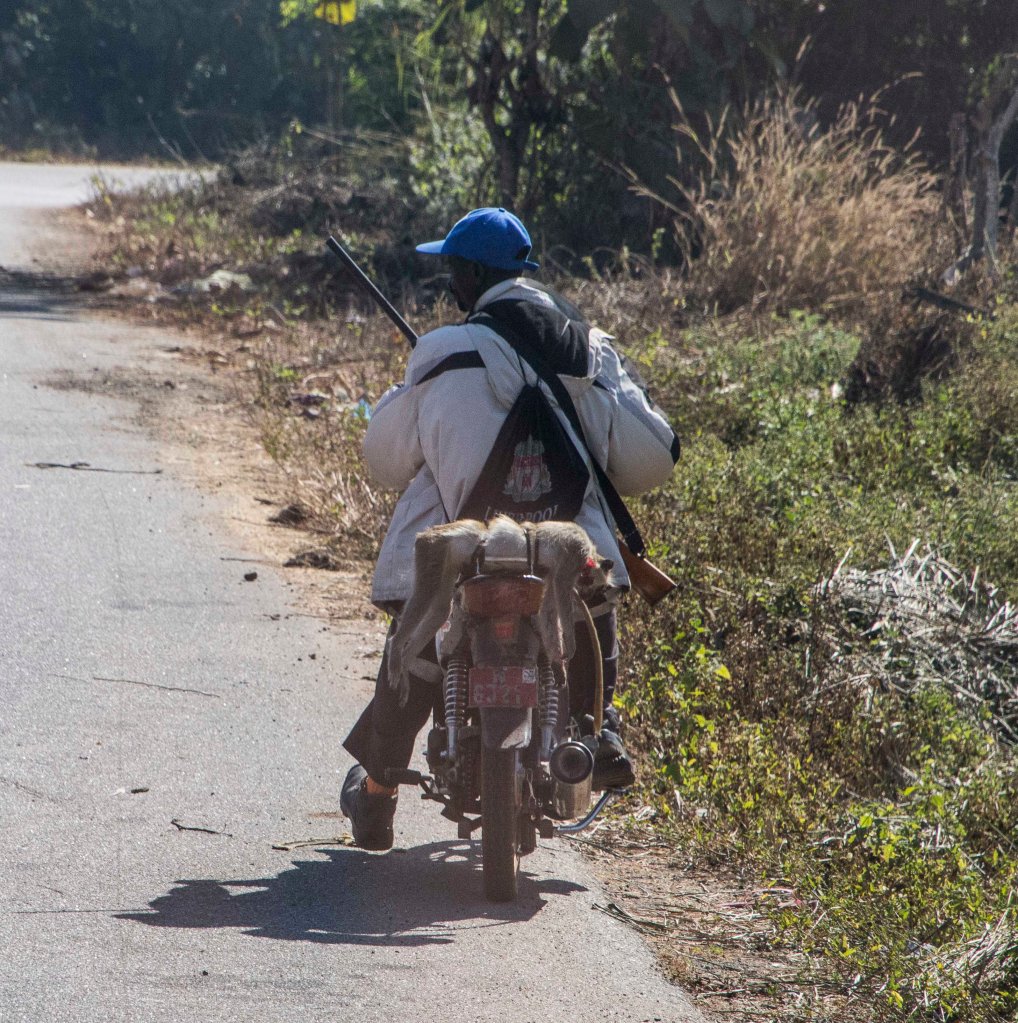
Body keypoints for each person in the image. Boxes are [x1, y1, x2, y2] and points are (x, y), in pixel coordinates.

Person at [341, 207, 680, 850]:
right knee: (594, 596)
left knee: (415, 648)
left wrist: (414, 395)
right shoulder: (586, 348)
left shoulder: (440, 353)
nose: (448, 284)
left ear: (471, 275)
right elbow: (654, 457)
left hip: (464, 547)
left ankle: (379, 793)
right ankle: (598, 729)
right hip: (563, 549)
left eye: (452, 271)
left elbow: (383, 460)